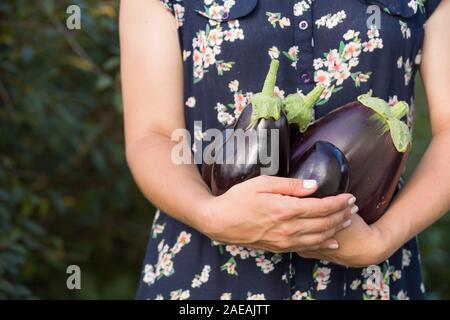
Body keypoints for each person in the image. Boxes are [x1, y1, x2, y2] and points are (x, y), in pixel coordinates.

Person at [120, 0, 450, 300]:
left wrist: (382, 238)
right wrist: (208, 213)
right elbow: (153, 135)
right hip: (203, 278)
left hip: (371, 279)